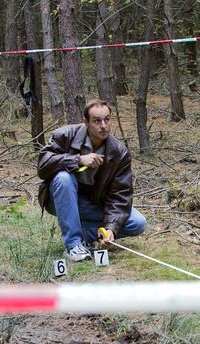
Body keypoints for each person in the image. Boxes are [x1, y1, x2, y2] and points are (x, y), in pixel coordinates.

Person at [37, 99, 146, 261]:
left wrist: (110, 229)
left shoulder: (119, 152)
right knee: (63, 178)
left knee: (138, 222)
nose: (103, 125)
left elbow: (120, 196)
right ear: (86, 122)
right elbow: (43, 166)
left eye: (107, 119)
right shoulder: (64, 135)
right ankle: (73, 245)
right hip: (60, 199)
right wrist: (78, 160)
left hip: (92, 205)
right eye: (97, 121)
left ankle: (84, 235)